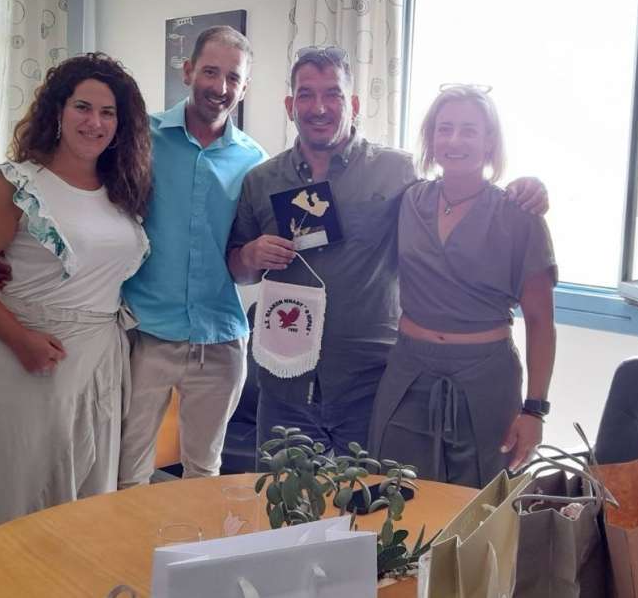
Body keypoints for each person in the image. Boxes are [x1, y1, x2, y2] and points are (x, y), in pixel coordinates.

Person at [227, 48, 548, 456]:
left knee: (373, 496)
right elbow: (238, 270)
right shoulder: (260, 180)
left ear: (354, 104)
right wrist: (250, 257)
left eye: (333, 94)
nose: (319, 107)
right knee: (283, 496)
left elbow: (461, 190)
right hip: (284, 382)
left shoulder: (400, 172)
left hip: (373, 385)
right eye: (306, 95)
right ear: (290, 105)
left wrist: (527, 186)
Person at [0, 26, 267, 487]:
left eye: (233, 77)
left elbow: (247, 259)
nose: (220, 86)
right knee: (125, 473)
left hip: (220, 338)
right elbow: (73, 188)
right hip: (144, 332)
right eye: (210, 71)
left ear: (245, 86)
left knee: (205, 475)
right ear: (187, 71)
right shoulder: (139, 137)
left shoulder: (255, 160)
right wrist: (6, 243)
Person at [0, 53, 152, 554]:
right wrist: (21, 340)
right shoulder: (19, 184)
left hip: (97, 365)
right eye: (82, 107)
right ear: (58, 110)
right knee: (11, 505)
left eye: (108, 113)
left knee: (80, 511)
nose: (94, 122)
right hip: (21, 364)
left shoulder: (121, 191)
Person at [368, 84, 557, 487]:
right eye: (445, 128)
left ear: (489, 141)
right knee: (395, 498)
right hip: (409, 372)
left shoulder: (518, 214)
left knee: (480, 505)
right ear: (431, 138)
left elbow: (541, 321)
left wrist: (535, 410)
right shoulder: (409, 201)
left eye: (469, 130)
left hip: (486, 378)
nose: (455, 140)